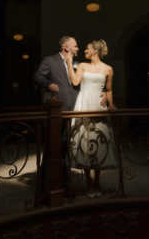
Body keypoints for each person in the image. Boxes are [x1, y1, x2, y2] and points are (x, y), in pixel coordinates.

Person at [34, 36, 107, 192]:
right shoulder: (50, 60)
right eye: (75, 45)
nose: (78, 48)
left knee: (69, 147)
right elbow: (38, 77)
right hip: (56, 111)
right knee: (53, 147)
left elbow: (87, 82)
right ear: (67, 47)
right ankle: (46, 183)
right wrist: (49, 84)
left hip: (75, 110)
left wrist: (104, 93)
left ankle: (66, 183)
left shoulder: (77, 63)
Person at [65, 39, 118, 199]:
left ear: (95, 50)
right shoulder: (82, 66)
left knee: (99, 141)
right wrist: (68, 62)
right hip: (84, 104)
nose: (85, 51)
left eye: (87, 48)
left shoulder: (108, 69)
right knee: (85, 142)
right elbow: (75, 81)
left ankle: (97, 181)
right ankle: (88, 182)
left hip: (98, 106)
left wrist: (112, 104)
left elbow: (108, 90)